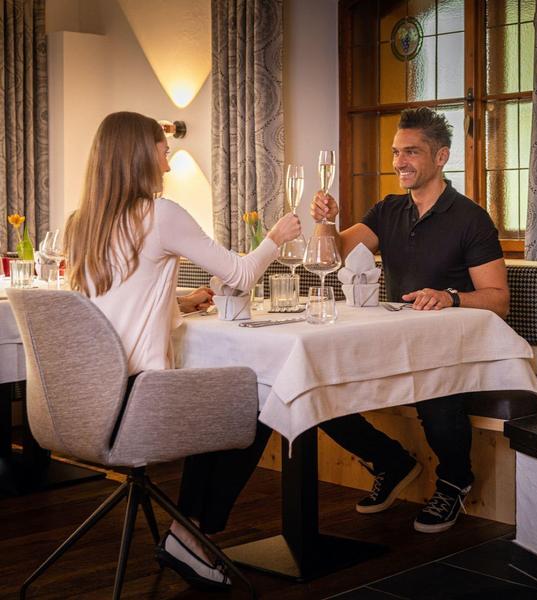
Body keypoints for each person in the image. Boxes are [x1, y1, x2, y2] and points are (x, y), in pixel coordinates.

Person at [64, 111, 301, 589]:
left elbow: (113, 294)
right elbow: (238, 274)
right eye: (161, 144)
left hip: (85, 400)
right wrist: (275, 238)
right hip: (137, 401)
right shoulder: (160, 213)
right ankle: (190, 536)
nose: (167, 152)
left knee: (219, 401)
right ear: (139, 153)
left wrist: (179, 299)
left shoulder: (80, 223)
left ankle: (187, 532)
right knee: (255, 400)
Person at [310, 107, 509, 533]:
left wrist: (449, 297)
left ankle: (455, 480)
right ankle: (391, 461)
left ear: (441, 157)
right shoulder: (388, 210)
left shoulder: (471, 218)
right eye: (397, 152)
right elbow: (332, 255)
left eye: (411, 152)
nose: (399, 161)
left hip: (454, 349)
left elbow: (498, 300)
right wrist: (326, 222)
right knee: (317, 386)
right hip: (397, 342)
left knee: (436, 389)